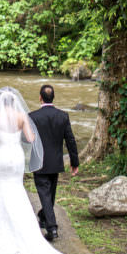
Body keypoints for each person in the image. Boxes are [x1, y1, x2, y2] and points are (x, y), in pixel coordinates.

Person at [0, 87, 66, 254]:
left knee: (0, 189)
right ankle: (25, 228)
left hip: (1, 157)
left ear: (0, 102)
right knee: (16, 190)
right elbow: (30, 138)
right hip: (16, 158)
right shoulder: (21, 117)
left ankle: (1, 229)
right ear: (14, 102)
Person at [29, 83, 79, 242]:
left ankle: (52, 228)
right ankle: (44, 216)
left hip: (39, 162)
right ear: (53, 97)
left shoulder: (32, 116)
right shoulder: (63, 116)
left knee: (45, 195)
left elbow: (26, 140)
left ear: (40, 97)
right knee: (49, 195)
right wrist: (74, 161)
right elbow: (70, 140)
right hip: (56, 162)